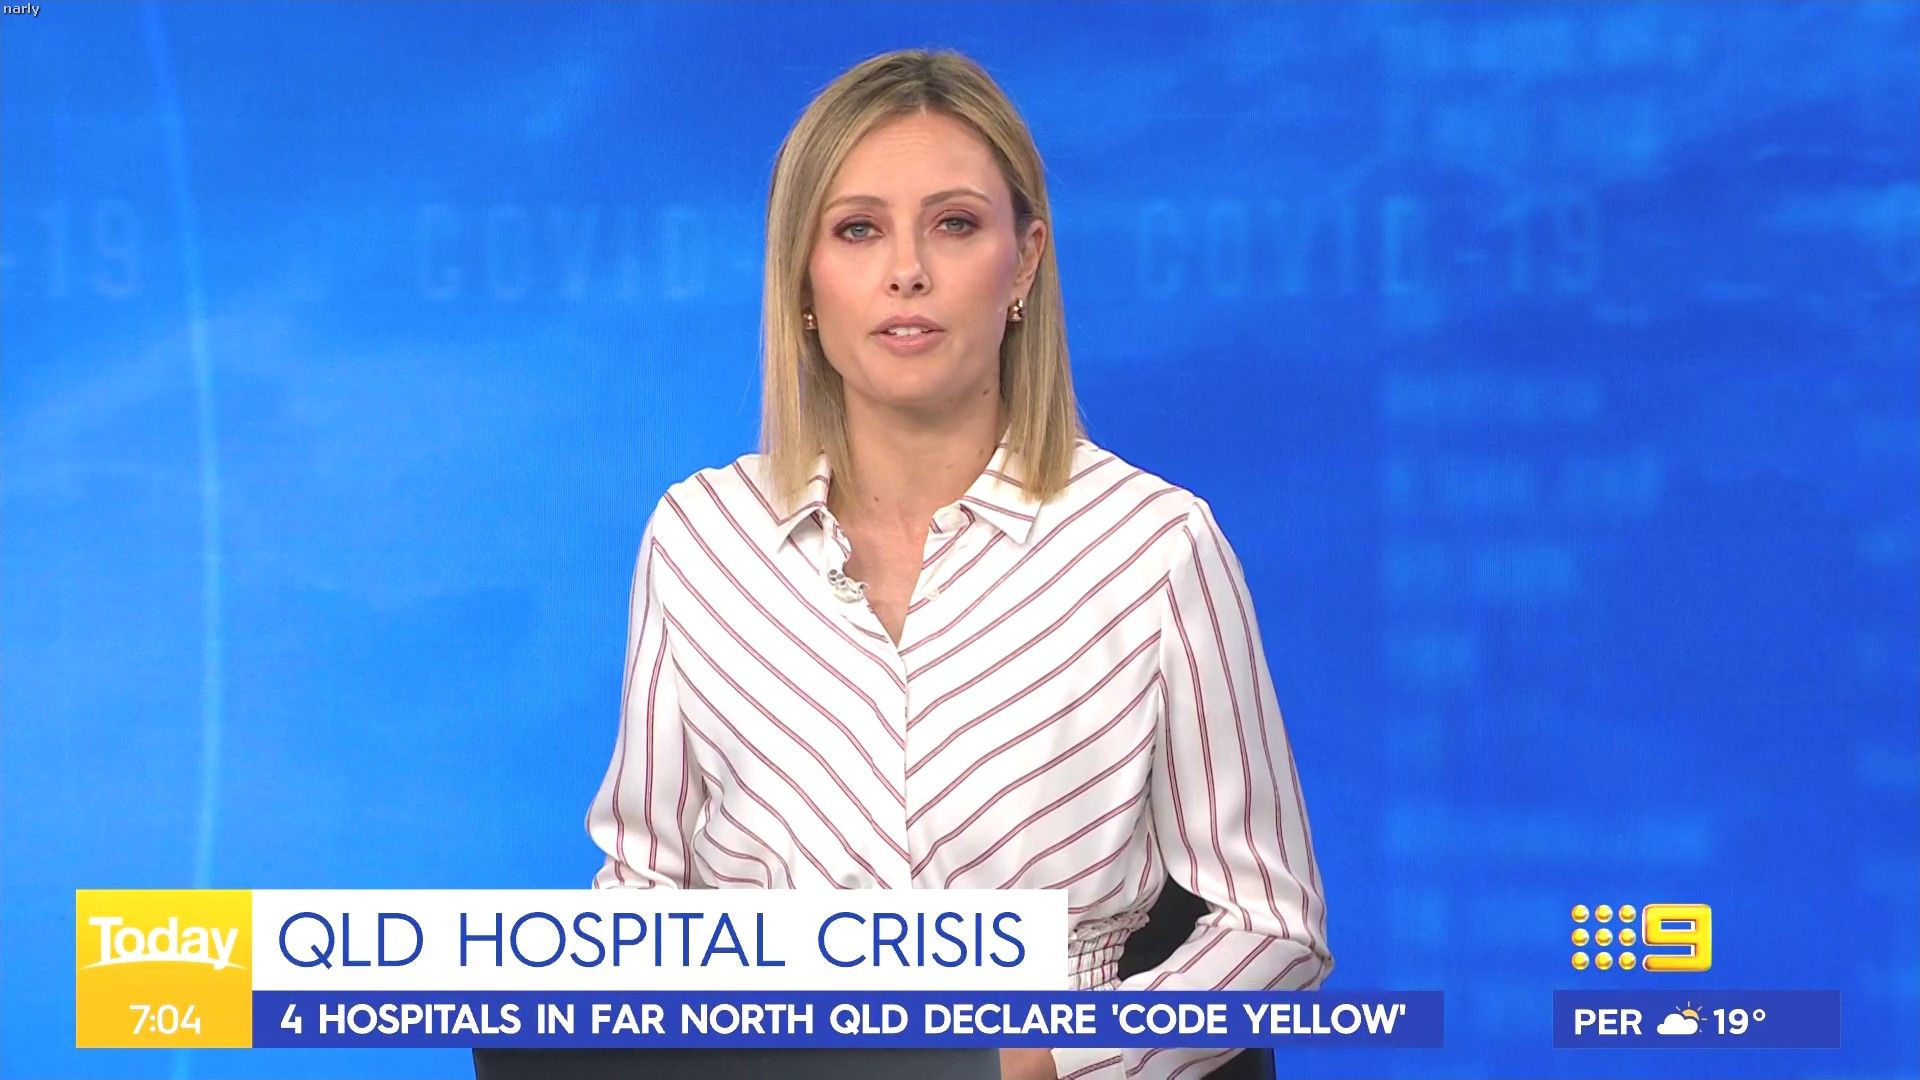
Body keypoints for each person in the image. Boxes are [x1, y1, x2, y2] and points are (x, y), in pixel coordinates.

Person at [585, 48, 1333, 1080]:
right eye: (858, 229)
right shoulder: (698, 537)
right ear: (801, 278)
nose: (908, 271)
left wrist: (1051, 1061)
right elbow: (640, 896)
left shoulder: (1155, 547)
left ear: (1023, 264)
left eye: (954, 224)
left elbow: (1273, 924)